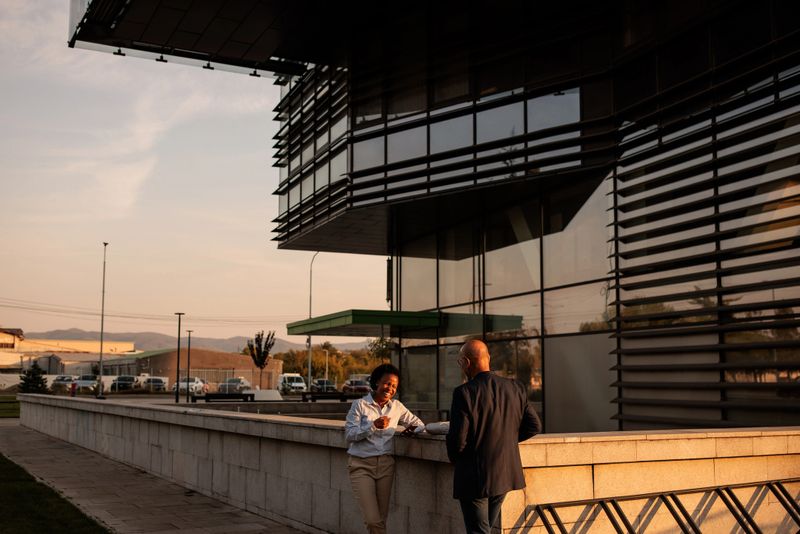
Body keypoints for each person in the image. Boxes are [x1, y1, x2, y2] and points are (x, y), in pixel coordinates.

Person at [446, 339, 542, 534]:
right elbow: (534, 426)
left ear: (466, 362)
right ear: (488, 358)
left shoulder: (464, 393)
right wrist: (504, 440)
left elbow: (458, 441)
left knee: (479, 531)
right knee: (485, 529)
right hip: (505, 473)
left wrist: (456, 459)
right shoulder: (515, 387)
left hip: (474, 475)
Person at [344, 363, 424, 534]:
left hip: (386, 466)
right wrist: (373, 426)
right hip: (361, 466)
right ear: (376, 383)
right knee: (373, 520)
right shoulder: (359, 405)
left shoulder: (397, 407)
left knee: (381, 518)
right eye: (387, 383)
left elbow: (419, 424)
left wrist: (412, 430)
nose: (390, 388)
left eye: (394, 386)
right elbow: (350, 435)